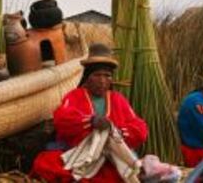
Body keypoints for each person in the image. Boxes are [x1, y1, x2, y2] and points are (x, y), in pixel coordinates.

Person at [30, 43, 148, 182]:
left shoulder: (118, 99)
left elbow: (140, 128)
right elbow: (61, 120)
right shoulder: (75, 96)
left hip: (108, 157)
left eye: (107, 76)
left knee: (114, 173)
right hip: (78, 154)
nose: (103, 81)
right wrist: (91, 122)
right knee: (46, 163)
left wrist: (117, 132)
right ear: (87, 77)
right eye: (97, 75)